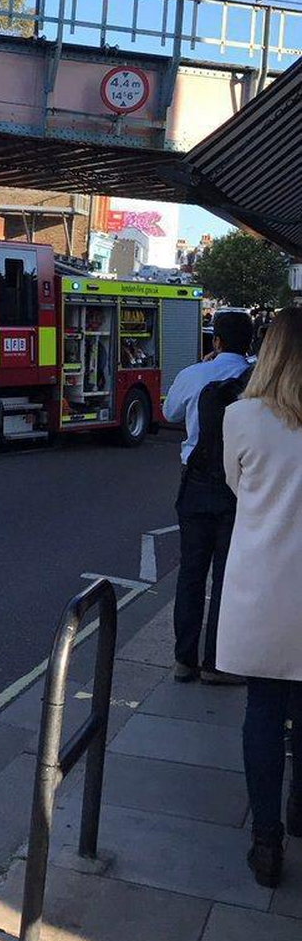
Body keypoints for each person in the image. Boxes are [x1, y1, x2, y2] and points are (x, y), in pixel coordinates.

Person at [217, 308, 302, 888]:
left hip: (264, 591)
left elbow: (235, 487)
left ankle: (266, 841)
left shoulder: (242, 418)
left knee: (264, 714)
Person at [163, 308, 253, 685]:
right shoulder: (257, 374)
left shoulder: (195, 374)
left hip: (196, 483)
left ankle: (185, 660)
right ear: (251, 341)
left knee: (191, 574)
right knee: (227, 578)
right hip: (240, 486)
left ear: (215, 340)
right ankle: (217, 663)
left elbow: (169, 413)